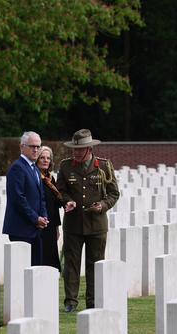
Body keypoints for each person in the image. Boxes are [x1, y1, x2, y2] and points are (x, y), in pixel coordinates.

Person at [56, 129, 119, 312]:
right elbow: (61, 190)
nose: (76, 152)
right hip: (73, 223)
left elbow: (114, 193)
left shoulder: (104, 166)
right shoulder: (66, 166)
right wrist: (67, 201)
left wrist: (103, 205)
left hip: (96, 225)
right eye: (74, 149)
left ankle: (93, 301)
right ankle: (71, 301)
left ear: (89, 149)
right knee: (71, 264)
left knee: (95, 265)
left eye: (80, 149)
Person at [2, 131, 48, 266]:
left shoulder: (34, 169)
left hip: (36, 228)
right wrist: (35, 218)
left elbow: (41, 197)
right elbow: (18, 199)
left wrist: (43, 216)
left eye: (38, 146)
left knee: (35, 270)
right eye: (32, 146)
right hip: (21, 229)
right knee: (21, 273)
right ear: (22, 147)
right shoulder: (17, 168)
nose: (36, 150)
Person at [36, 146, 63, 270]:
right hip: (39, 223)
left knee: (51, 261)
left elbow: (54, 205)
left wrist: (57, 227)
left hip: (51, 225)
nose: (45, 160)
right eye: (42, 157)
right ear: (37, 159)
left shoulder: (50, 179)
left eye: (48, 158)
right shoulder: (34, 178)